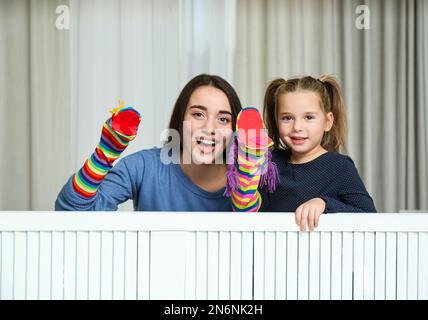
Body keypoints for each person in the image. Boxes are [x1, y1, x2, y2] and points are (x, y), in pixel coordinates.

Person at [55, 74, 242, 211]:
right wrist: (104, 154)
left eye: (223, 119)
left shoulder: (249, 181)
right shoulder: (145, 167)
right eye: (198, 114)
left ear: (235, 130)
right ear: (180, 118)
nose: (209, 128)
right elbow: (70, 211)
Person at [261, 75, 377, 231]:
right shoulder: (269, 162)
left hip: (323, 254)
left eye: (309, 117)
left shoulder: (339, 167)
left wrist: (325, 203)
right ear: (276, 121)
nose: (297, 127)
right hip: (274, 252)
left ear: (328, 122)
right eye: (287, 118)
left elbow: (370, 217)